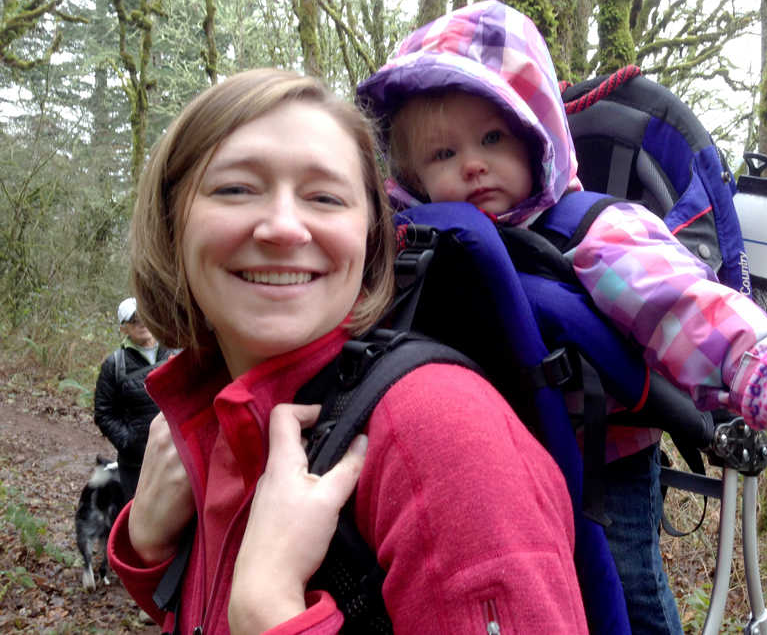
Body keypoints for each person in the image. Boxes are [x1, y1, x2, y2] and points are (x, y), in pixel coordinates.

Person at [356, 0, 767, 634]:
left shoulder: (595, 233)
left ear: (536, 134)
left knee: (630, 590)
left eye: (491, 138)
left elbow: (681, 304)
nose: (472, 165)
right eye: (443, 154)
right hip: (500, 459)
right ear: (414, 178)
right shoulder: (422, 250)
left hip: (607, 456)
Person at [106, 68, 587, 634]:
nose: (284, 228)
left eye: (325, 197)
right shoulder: (207, 420)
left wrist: (268, 611)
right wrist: (149, 551)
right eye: (235, 188)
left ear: (370, 236)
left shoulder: (440, 431)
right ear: (171, 225)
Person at [93, 296, 173, 498]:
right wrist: (128, 442)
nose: (141, 323)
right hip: (136, 464)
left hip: (176, 456)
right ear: (123, 328)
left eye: (144, 316)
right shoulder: (115, 365)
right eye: (133, 320)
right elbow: (103, 413)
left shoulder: (174, 353)